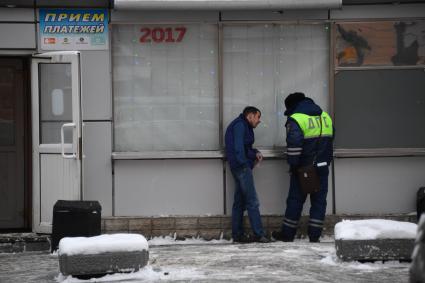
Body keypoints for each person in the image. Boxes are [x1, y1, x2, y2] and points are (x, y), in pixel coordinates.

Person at [272, 92, 334, 243]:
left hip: (304, 169)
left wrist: (293, 166)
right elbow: (330, 141)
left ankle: (287, 235)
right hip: (322, 167)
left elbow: (294, 145)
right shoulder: (325, 116)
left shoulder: (296, 118)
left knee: (295, 200)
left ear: (292, 106)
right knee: (319, 202)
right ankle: (314, 236)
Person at [225, 106, 269, 243]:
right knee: (252, 201)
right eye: (258, 117)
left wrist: (255, 153)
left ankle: (237, 235)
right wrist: (245, 164)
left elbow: (244, 148)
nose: (259, 120)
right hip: (241, 167)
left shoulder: (243, 125)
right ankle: (259, 234)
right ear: (250, 116)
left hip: (238, 166)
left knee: (239, 201)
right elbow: (239, 149)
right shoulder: (240, 125)